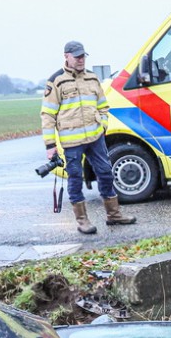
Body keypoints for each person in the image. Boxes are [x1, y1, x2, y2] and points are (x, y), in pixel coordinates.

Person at [41, 41, 135, 234]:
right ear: (66, 56)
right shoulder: (56, 81)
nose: (81, 59)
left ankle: (113, 214)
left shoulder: (92, 78)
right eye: (77, 56)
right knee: (75, 179)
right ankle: (82, 220)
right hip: (72, 142)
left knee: (106, 173)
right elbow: (48, 115)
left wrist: (103, 126)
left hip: (95, 138)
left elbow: (103, 106)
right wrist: (50, 146)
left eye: (83, 56)